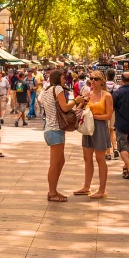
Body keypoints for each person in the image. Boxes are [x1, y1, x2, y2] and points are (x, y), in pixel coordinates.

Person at [73, 71, 114, 199]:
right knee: (87, 158)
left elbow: (108, 115)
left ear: (102, 81)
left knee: (100, 158)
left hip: (100, 128)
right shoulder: (88, 95)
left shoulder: (107, 96)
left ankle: (102, 190)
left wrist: (93, 116)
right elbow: (78, 110)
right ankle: (86, 187)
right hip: (87, 128)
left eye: (96, 78)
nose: (93, 80)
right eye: (91, 78)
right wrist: (81, 103)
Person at [39, 69, 74, 202]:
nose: (65, 80)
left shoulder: (46, 90)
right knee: (54, 164)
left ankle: (54, 190)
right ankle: (52, 192)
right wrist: (76, 101)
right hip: (54, 130)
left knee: (60, 161)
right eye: (63, 78)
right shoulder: (58, 89)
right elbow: (64, 107)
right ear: (58, 78)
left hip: (50, 129)